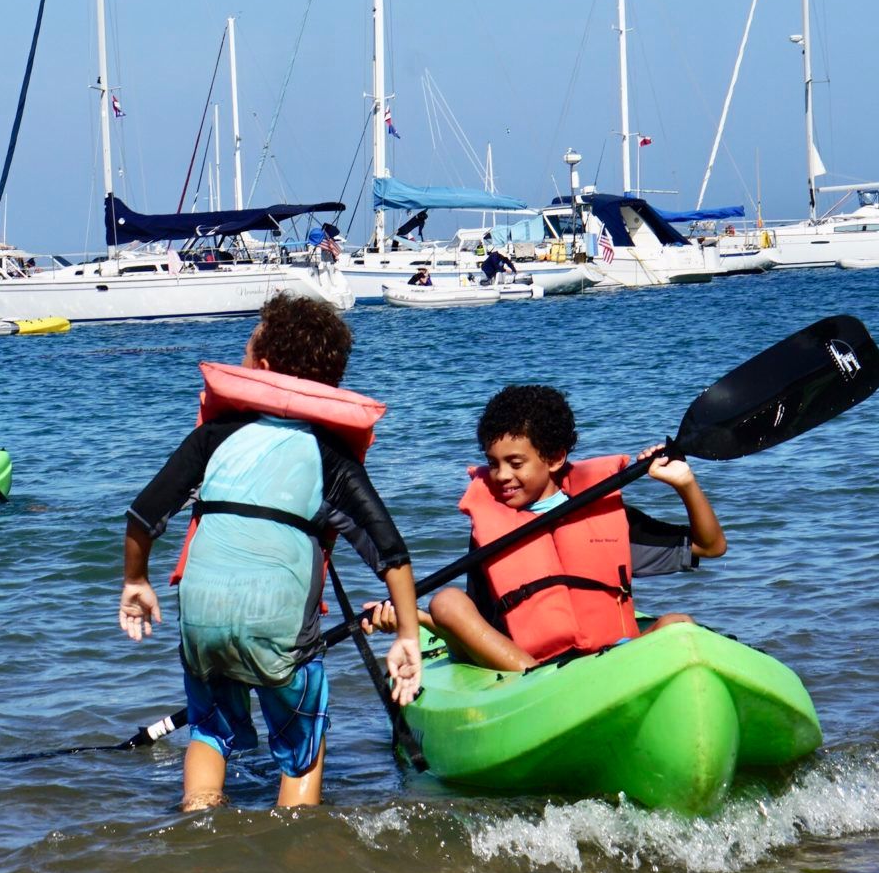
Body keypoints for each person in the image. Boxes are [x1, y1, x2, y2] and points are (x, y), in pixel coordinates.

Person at [119, 293, 423, 811]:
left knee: (209, 732)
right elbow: (390, 552)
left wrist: (136, 582)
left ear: (262, 367)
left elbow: (143, 516)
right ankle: (296, 835)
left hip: (202, 618)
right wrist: (409, 635)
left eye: (247, 344)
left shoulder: (214, 436)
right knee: (302, 747)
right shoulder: (331, 458)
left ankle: (197, 820)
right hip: (278, 624)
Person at [366, 384, 726, 672]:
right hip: (532, 670)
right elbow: (478, 635)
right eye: (493, 464)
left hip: (615, 658)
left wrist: (684, 483)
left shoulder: (603, 513)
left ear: (554, 458)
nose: (502, 476)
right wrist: (418, 619)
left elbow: (710, 547)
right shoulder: (489, 531)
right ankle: (540, 686)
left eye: (515, 463)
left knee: (679, 623)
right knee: (447, 601)